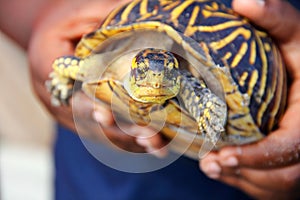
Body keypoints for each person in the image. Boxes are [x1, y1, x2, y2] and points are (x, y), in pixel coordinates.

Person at [1, 0, 299, 199]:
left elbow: (196, 90)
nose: (156, 79)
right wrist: (44, 23)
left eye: (169, 72)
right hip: (101, 183)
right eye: (144, 71)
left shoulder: (189, 84)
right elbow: (67, 59)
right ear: (133, 65)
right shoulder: (107, 64)